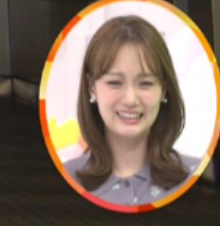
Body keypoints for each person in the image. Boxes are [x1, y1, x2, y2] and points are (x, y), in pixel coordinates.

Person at [64, 15, 198, 207]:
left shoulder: (194, 175)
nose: (130, 100)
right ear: (91, 87)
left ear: (164, 89)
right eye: (114, 83)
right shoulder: (67, 177)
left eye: (145, 83)